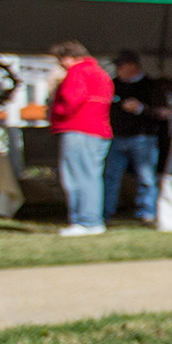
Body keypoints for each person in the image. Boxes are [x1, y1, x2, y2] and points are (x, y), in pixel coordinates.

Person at [46, 40, 113, 236]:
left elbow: (70, 101)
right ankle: (92, 219)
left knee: (76, 177)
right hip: (99, 130)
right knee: (91, 176)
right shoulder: (101, 73)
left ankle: (84, 220)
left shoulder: (77, 72)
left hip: (78, 128)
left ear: (67, 58)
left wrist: (54, 110)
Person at [104, 50, 172, 223]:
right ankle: (106, 211)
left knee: (146, 177)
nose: (118, 70)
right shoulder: (112, 85)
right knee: (110, 176)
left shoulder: (152, 86)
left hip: (143, 138)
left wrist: (141, 109)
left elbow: (164, 113)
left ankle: (147, 211)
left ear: (132, 66)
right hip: (116, 137)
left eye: (121, 66)